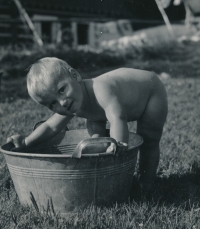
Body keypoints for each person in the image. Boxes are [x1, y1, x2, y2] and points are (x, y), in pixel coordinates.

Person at [7, 57, 168, 190]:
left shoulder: (100, 89)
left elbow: (117, 118)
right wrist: (26, 142)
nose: (61, 103)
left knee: (149, 138)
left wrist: (119, 144)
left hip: (149, 91)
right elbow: (51, 126)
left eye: (62, 90)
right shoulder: (72, 101)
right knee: (94, 132)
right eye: (52, 104)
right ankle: (100, 174)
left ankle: (146, 181)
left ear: (75, 76)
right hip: (118, 104)